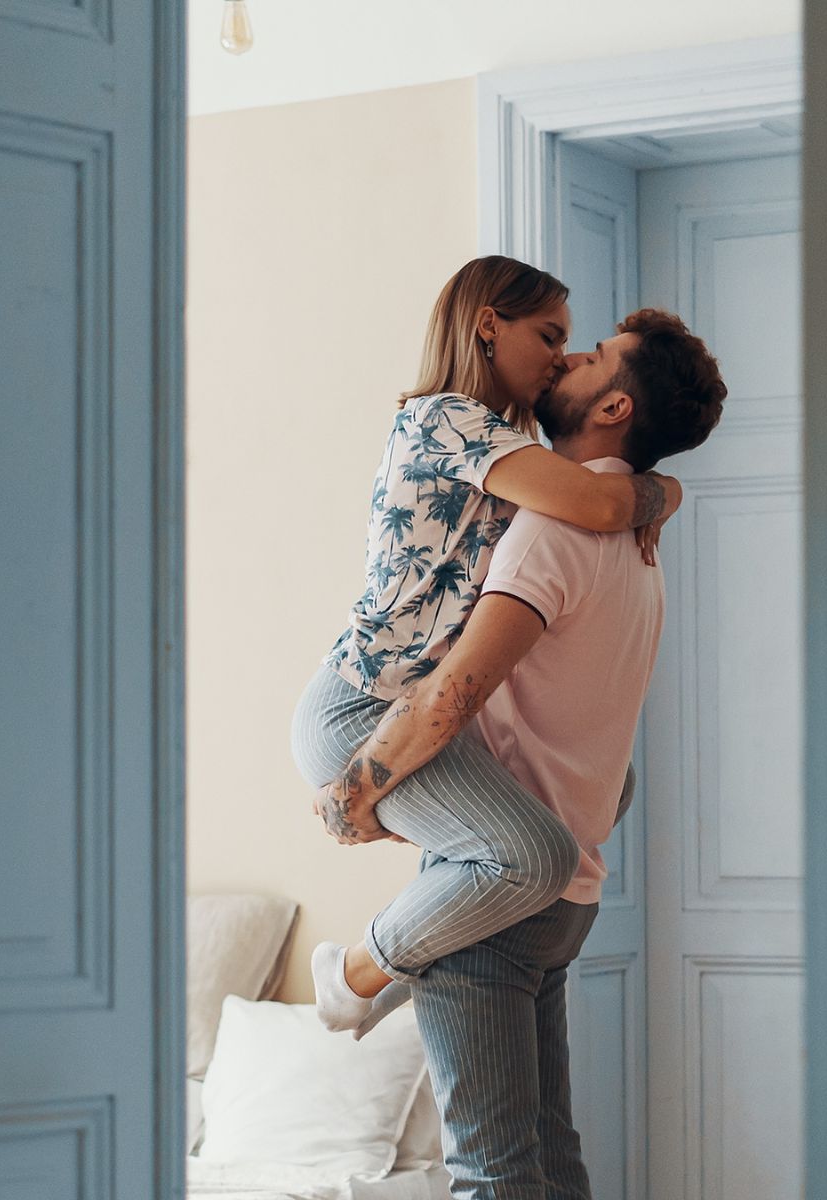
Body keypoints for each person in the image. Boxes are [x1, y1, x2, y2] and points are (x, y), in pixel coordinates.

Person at [309, 309, 726, 1196]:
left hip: (497, 903)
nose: (569, 357)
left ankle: (358, 974)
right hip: (567, 893)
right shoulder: (637, 545)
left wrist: (357, 789)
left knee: (494, 1174)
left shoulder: (552, 531)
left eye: (593, 354)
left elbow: (454, 691)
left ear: (614, 404)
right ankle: (363, 977)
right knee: (545, 1155)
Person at [288, 256, 686, 1037]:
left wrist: (656, 493)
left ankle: (408, 960)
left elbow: (600, 501)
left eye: (571, 343)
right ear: (486, 324)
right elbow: (604, 501)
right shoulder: (443, 419)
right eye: (548, 335)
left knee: (609, 785)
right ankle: (352, 977)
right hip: (359, 711)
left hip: (410, 707)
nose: (560, 357)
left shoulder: (505, 449)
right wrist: (667, 490)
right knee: (535, 853)